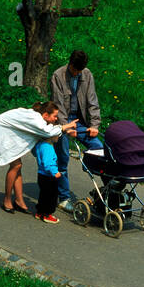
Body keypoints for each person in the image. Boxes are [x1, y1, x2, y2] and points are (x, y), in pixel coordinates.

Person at [0, 99, 76, 213]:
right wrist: (66, 127)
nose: (56, 119)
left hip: (8, 129)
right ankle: (7, 199)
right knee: (16, 166)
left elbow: (48, 132)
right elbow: (48, 132)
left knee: (17, 166)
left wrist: (65, 130)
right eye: (55, 116)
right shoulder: (35, 120)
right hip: (3, 131)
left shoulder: (38, 118)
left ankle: (19, 201)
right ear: (46, 115)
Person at [50, 49, 104, 212]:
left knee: (99, 148)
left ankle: (106, 194)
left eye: (80, 71)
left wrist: (94, 125)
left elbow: (92, 102)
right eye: (75, 70)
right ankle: (64, 197)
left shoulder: (87, 75)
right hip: (62, 122)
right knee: (63, 157)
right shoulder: (58, 76)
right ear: (70, 64)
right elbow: (58, 106)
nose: (77, 73)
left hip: (79, 121)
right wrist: (66, 128)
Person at [32, 133, 63, 223]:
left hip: (41, 174)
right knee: (52, 195)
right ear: (50, 136)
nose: (59, 137)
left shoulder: (40, 145)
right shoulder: (48, 148)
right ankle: (47, 214)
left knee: (43, 194)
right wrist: (55, 172)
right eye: (58, 135)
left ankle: (40, 212)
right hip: (49, 175)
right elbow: (48, 163)